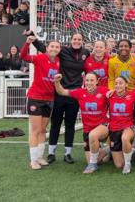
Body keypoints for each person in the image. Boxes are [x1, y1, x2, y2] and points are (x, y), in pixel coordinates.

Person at [31, 32, 90, 164]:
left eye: (79, 39)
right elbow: (43, 48)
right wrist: (32, 37)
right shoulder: (62, 51)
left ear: (83, 41)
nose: (77, 41)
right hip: (59, 92)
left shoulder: (86, 53)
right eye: (74, 39)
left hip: (74, 94)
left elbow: (91, 66)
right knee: (55, 124)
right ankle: (51, 153)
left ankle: (68, 154)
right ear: (71, 40)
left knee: (70, 125)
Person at [54, 72, 110, 174]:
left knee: (93, 136)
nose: (89, 83)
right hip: (87, 129)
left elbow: (116, 97)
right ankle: (108, 150)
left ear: (97, 81)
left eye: (92, 80)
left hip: (103, 125)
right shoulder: (80, 92)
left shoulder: (104, 91)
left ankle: (93, 166)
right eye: (87, 80)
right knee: (92, 159)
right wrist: (57, 81)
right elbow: (61, 91)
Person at [20, 36, 61, 170]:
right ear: (47, 48)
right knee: (36, 130)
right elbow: (23, 56)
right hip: (36, 98)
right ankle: (33, 160)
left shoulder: (59, 61)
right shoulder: (40, 58)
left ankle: (39, 157)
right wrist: (28, 42)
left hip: (49, 99)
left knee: (43, 130)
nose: (54, 49)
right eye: (52, 46)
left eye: (57, 47)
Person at [107, 76, 135, 174]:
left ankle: (128, 163)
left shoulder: (133, 94)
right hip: (114, 129)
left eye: (121, 83)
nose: (118, 85)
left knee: (124, 138)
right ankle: (130, 150)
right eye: (116, 83)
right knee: (119, 165)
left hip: (128, 127)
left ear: (126, 84)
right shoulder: (110, 95)